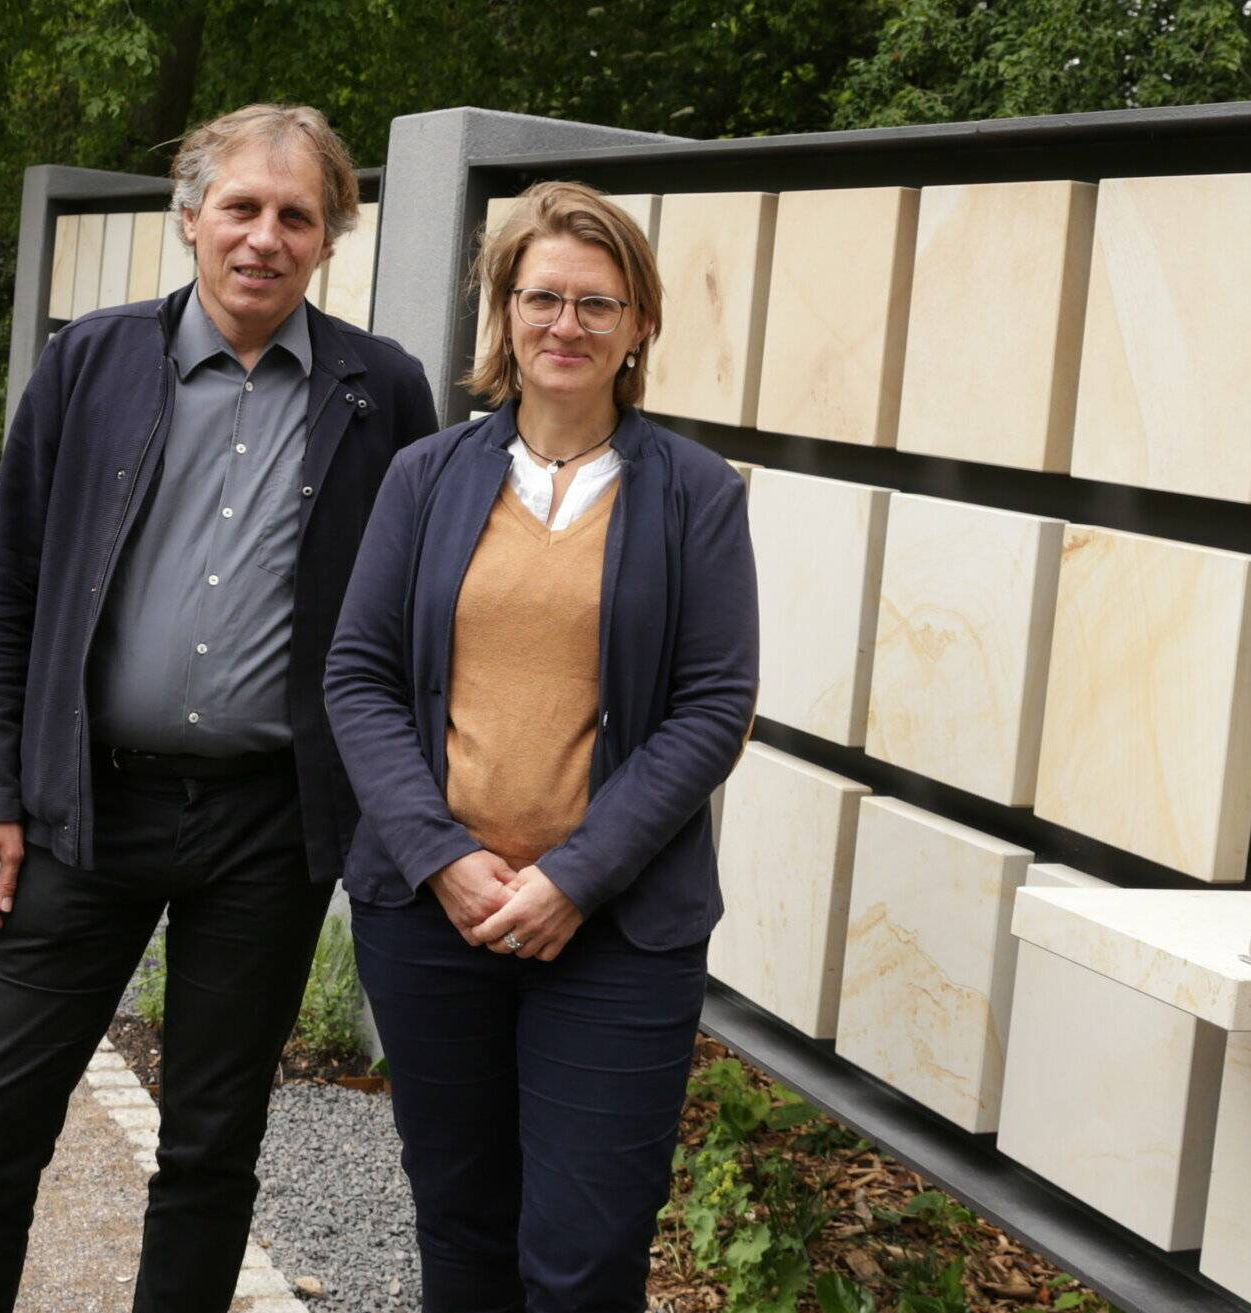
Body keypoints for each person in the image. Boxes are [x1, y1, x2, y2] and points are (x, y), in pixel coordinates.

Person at [0, 103, 437, 1312]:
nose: (263, 236)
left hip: (266, 828)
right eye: (240, 207)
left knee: (210, 1148)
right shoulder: (90, 362)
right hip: (79, 808)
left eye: (295, 215)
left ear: (328, 239)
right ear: (189, 215)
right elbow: (5, 590)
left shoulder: (382, 392)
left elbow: (412, 613)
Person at [324, 180, 759, 1313]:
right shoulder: (426, 477)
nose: (564, 324)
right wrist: (440, 854)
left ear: (638, 327)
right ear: (504, 313)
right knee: (461, 1231)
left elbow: (714, 704)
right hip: (434, 917)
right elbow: (357, 675)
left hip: (616, 932)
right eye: (541, 297)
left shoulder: (696, 495)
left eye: (596, 304)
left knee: (582, 1252)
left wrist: (574, 874)